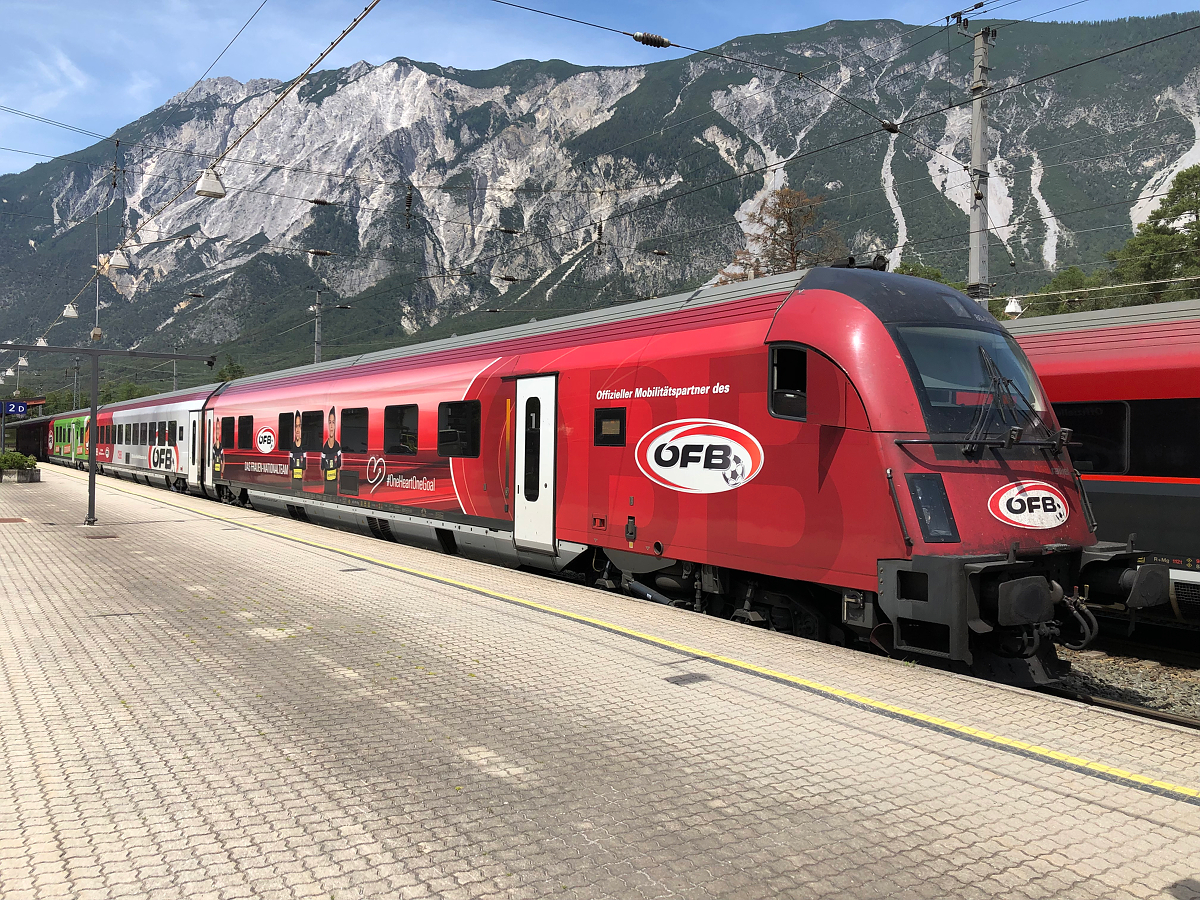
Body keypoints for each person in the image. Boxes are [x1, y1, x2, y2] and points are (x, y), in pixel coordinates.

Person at [321, 406, 341, 496]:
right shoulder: (324, 448)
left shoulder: (338, 447)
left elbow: (339, 468)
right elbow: (322, 467)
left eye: (333, 422)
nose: (331, 425)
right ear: (328, 425)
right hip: (327, 486)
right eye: (330, 422)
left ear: (336, 424)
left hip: (334, 486)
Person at [290, 411, 305, 491]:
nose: (297, 430)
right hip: (294, 482)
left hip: (301, 482)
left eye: (299, 426)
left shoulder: (304, 446)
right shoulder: (292, 447)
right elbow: (290, 467)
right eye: (296, 426)